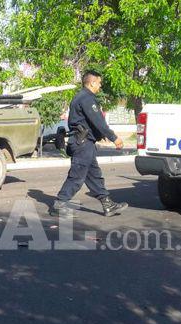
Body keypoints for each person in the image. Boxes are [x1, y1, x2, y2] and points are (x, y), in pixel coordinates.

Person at [50, 70, 128, 217]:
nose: (100, 86)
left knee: (94, 175)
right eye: (99, 82)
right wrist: (114, 137)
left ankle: (107, 204)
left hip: (85, 142)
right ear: (92, 82)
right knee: (77, 175)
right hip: (82, 143)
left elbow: (89, 122)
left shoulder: (82, 97)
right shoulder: (87, 98)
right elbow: (98, 121)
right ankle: (59, 204)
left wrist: (98, 135)